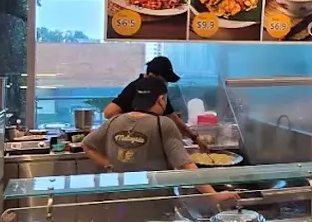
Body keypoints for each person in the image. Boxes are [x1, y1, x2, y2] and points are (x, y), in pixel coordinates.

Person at [83, 76, 231, 201]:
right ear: (161, 99)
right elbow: (186, 166)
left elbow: (87, 145)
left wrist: (109, 164)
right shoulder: (163, 123)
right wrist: (214, 196)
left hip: (118, 199)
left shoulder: (114, 121)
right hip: (153, 201)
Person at [103, 55, 207, 149]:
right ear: (151, 75)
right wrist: (134, 124)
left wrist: (195, 138)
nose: (165, 84)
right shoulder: (135, 88)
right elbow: (109, 112)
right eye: (164, 80)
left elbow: (173, 118)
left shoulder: (159, 93)